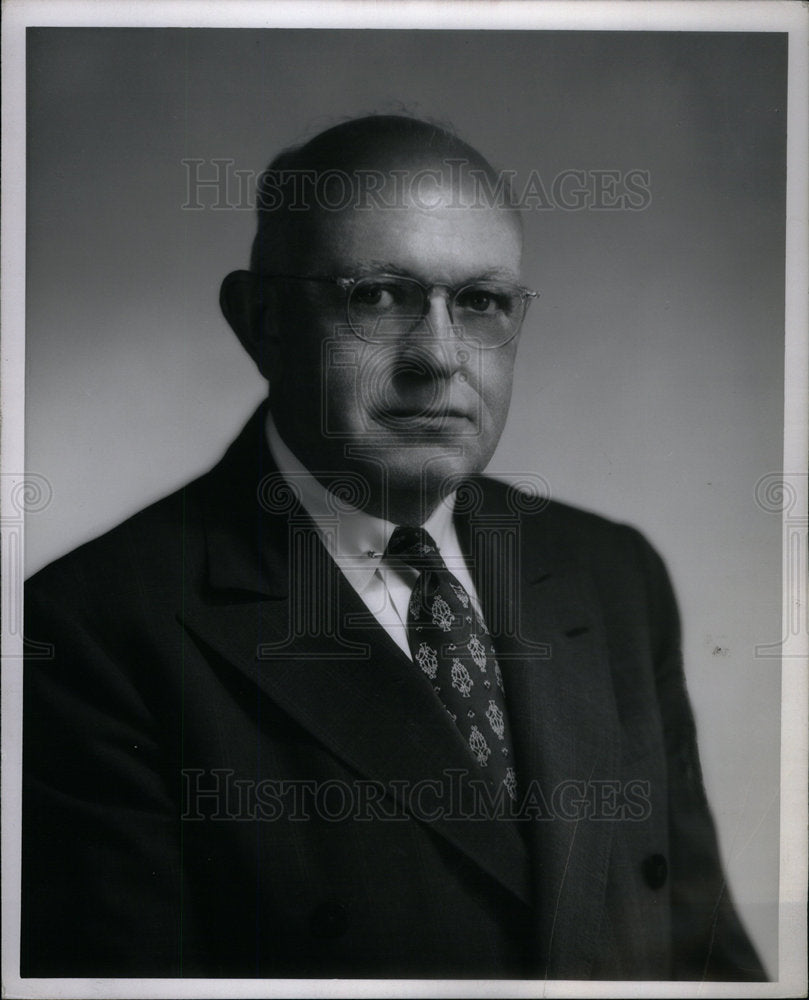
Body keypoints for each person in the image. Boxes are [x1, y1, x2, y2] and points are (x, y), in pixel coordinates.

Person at [21, 115, 766, 981]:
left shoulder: (612, 575)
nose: (440, 357)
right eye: (377, 296)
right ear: (261, 320)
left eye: (481, 302)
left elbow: (709, 961)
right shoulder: (92, 631)